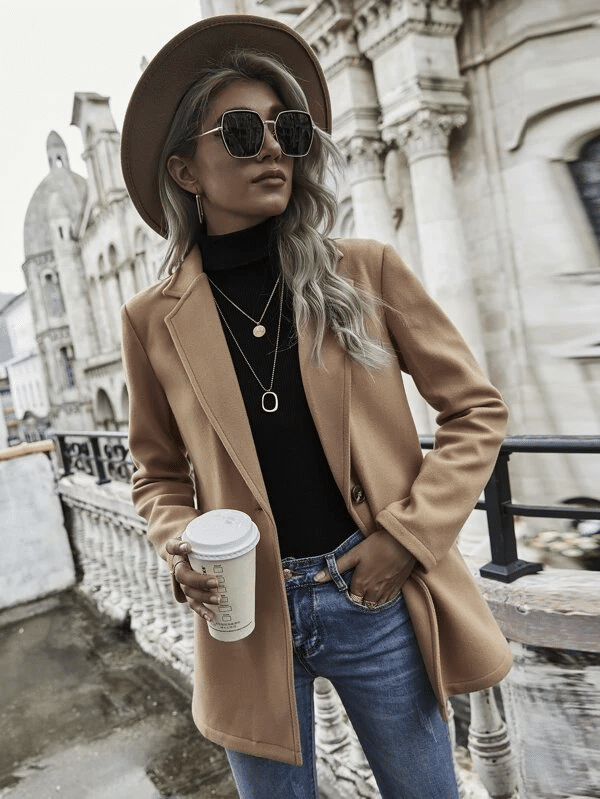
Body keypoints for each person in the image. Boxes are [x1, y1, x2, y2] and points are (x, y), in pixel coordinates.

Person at [120, 14, 512, 799]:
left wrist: (407, 537)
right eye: (241, 131)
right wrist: (178, 543)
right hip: (243, 613)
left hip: (374, 594)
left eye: (288, 129)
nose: (272, 147)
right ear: (186, 170)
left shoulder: (365, 271)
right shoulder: (151, 319)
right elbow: (156, 474)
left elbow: (476, 410)